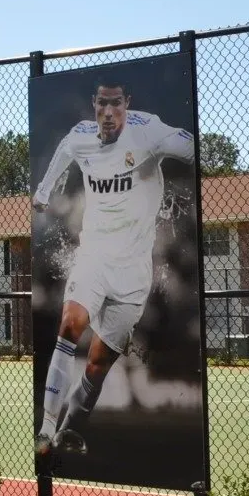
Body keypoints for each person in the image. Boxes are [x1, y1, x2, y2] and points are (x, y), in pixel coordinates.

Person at [33, 79, 193, 459]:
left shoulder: (148, 130)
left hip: (134, 272)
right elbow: (63, 151)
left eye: (116, 104)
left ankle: (71, 427)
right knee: (70, 325)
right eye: (102, 104)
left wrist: (191, 149)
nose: (108, 112)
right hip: (93, 257)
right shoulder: (81, 136)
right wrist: (43, 190)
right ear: (94, 104)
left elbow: (186, 144)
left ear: (127, 103)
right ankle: (45, 430)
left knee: (98, 364)